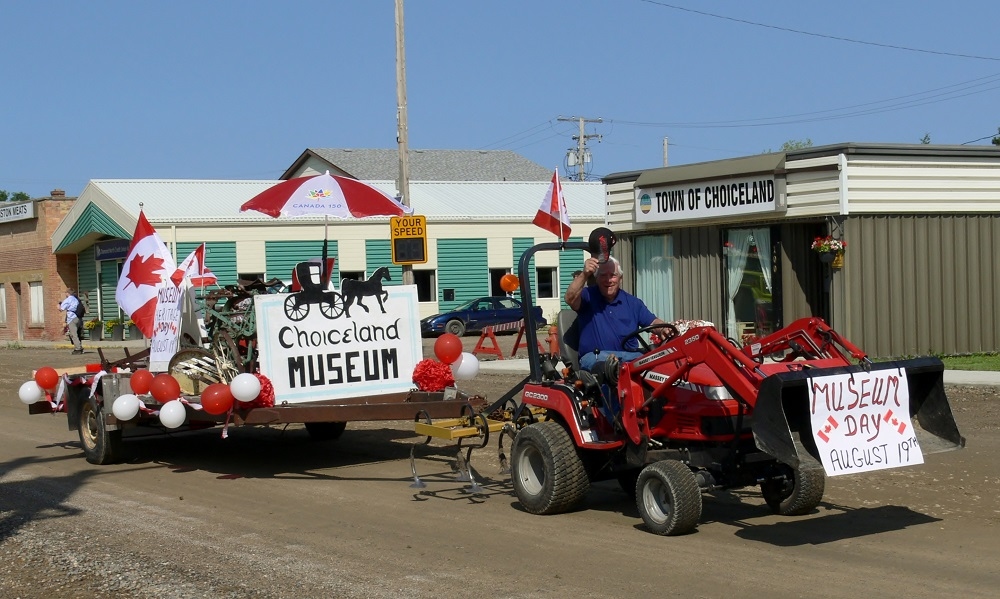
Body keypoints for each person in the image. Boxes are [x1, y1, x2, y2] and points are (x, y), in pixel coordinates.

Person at [565, 255, 667, 371]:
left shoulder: (633, 303)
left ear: (620, 278)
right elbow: (570, 298)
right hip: (597, 357)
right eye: (603, 275)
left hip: (630, 357)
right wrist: (585, 274)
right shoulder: (587, 296)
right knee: (611, 368)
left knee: (659, 366)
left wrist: (663, 329)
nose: (608, 280)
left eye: (613, 275)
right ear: (596, 278)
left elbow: (653, 321)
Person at [59, 288, 84, 355]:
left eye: (65, 292)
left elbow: (61, 309)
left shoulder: (68, 300)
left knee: (73, 334)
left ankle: (78, 348)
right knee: (77, 334)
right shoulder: (76, 299)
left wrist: (58, 305)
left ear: (67, 293)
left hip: (72, 318)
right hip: (78, 317)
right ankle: (79, 346)